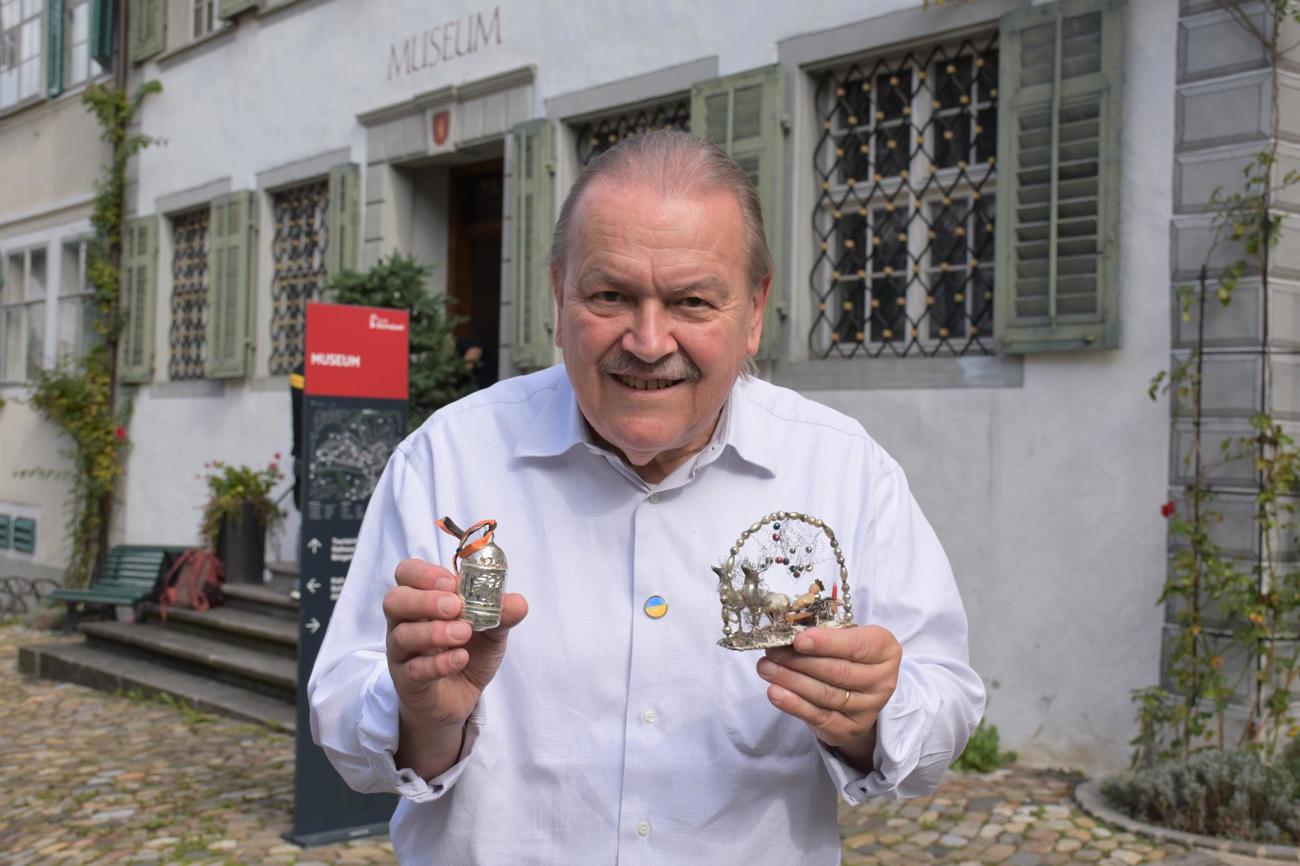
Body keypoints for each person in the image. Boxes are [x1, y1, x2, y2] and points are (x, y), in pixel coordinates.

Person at [309, 130, 984, 865]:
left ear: (754, 310)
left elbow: (942, 705)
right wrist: (422, 721)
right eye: (611, 295)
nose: (649, 339)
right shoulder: (449, 460)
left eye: (692, 301)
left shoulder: (845, 472)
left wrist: (868, 716)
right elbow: (344, 715)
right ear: (558, 295)